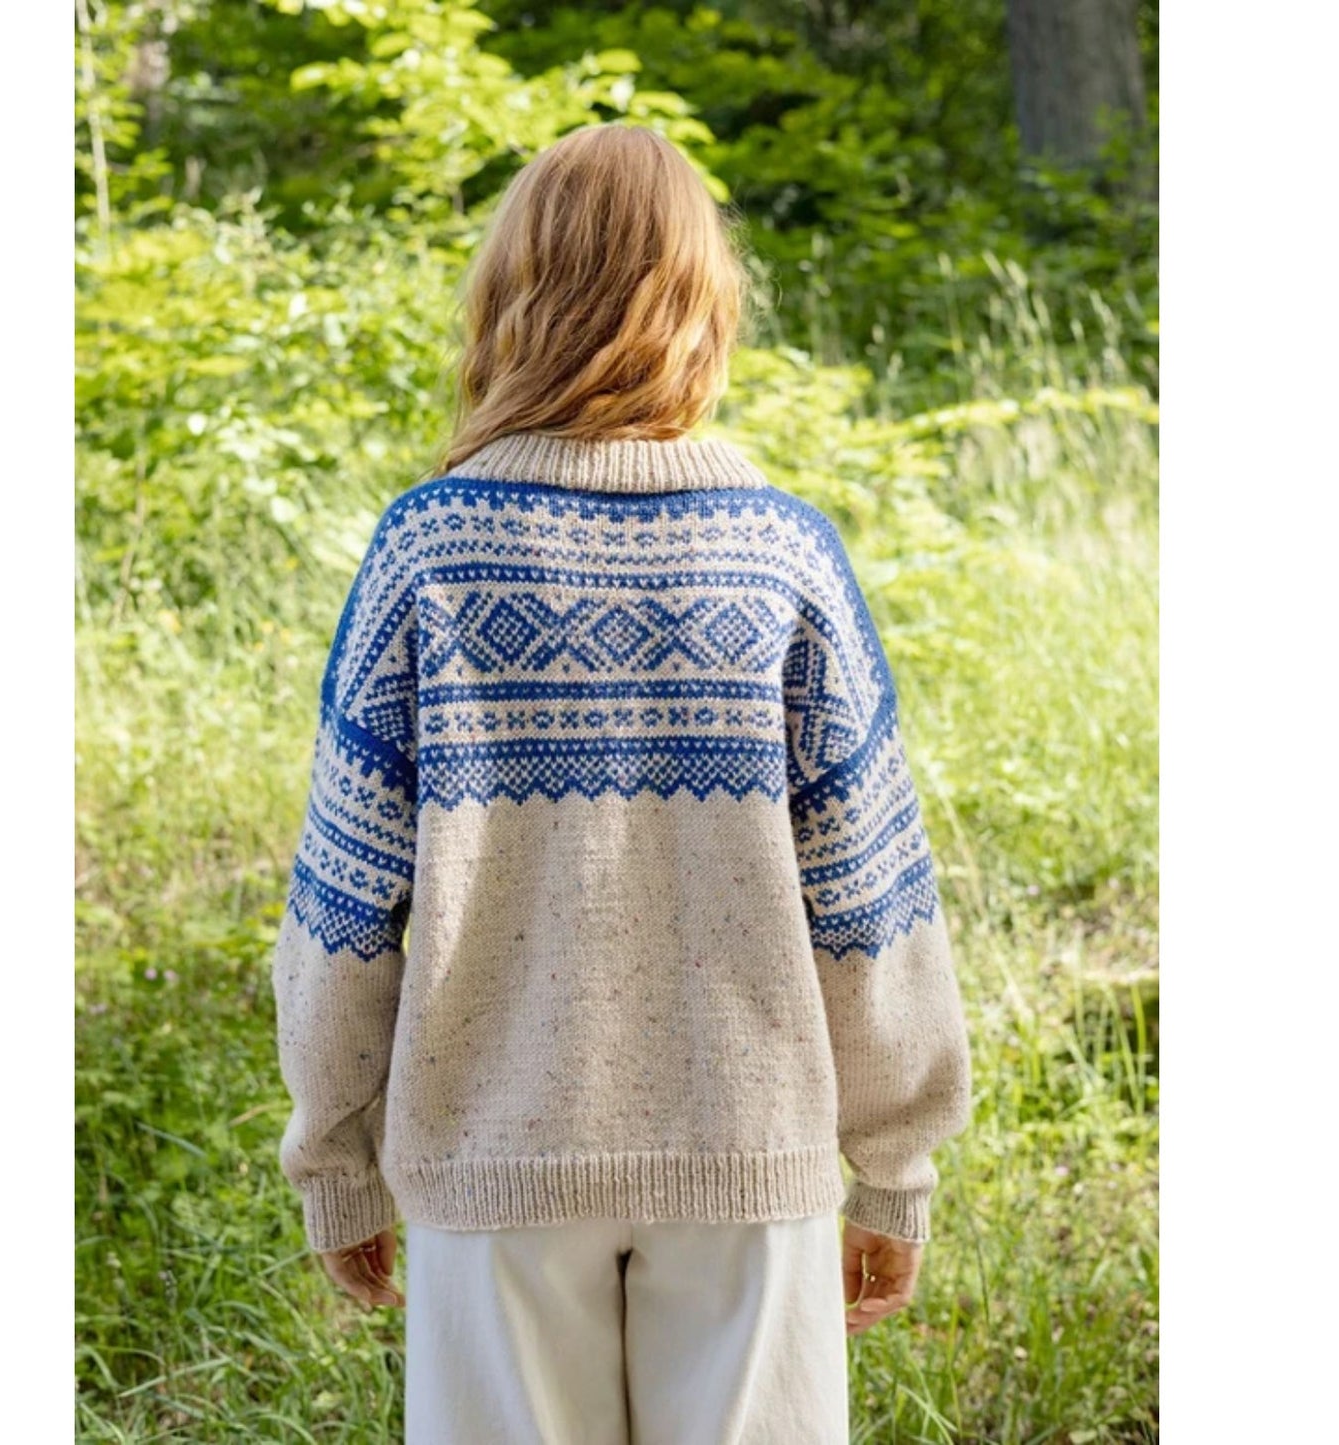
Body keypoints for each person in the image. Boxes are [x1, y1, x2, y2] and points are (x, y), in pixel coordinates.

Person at [270, 121, 972, 1444]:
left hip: (494, 1161)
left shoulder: (427, 551)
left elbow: (344, 900)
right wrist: (896, 1165)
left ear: (513, 296)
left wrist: (334, 1154)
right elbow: (869, 898)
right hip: (746, 1159)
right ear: (700, 302)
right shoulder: (782, 555)